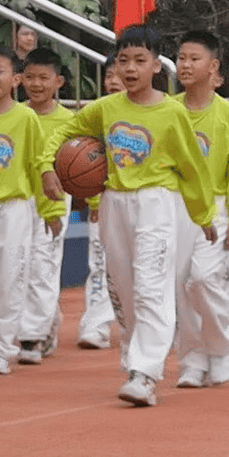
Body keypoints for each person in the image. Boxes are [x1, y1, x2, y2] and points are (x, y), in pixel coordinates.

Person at [40, 27, 218, 408]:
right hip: (113, 202)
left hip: (156, 202)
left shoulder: (172, 112)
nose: (131, 68)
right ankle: (135, 357)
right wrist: (47, 167)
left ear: (157, 66)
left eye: (140, 61)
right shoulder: (105, 109)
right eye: (124, 61)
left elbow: (192, 168)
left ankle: (145, 371)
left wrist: (203, 214)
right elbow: (61, 134)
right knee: (122, 289)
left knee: (152, 285)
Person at [0, 49, 66, 377]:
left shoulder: (25, 118)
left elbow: (38, 166)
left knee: (11, 278)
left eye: (0, 71)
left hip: (16, 208)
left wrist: (50, 209)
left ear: (14, 79)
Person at [169, 31, 229, 387]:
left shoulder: (228, 115)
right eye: (181, 58)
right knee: (176, 285)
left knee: (202, 279)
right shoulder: (167, 109)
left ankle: (221, 348)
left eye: (194, 58)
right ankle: (191, 358)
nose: (185, 65)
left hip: (214, 205)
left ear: (213, 66)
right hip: (172, 205)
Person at [20, 47, 75, 363]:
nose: (36, 84)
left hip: (54, 200)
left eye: (43, 78)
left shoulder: (70, 121)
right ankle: (47, 317)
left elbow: (87, 164)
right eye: (30, 77)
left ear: (59, 82)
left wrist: (92, 200)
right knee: (19, 265)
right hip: (16, 199)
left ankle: (32, 337)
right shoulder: (13, 115)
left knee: (43, 262)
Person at [76, 61, 124, 351]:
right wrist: (93, 199)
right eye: (109, 74)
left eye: (120, 74)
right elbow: (87, 165)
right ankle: (95, 325)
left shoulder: (157, 112)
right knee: (100, 265)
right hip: (104, 202)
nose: (115, 80)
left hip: (148, 205)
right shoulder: (95, 116)